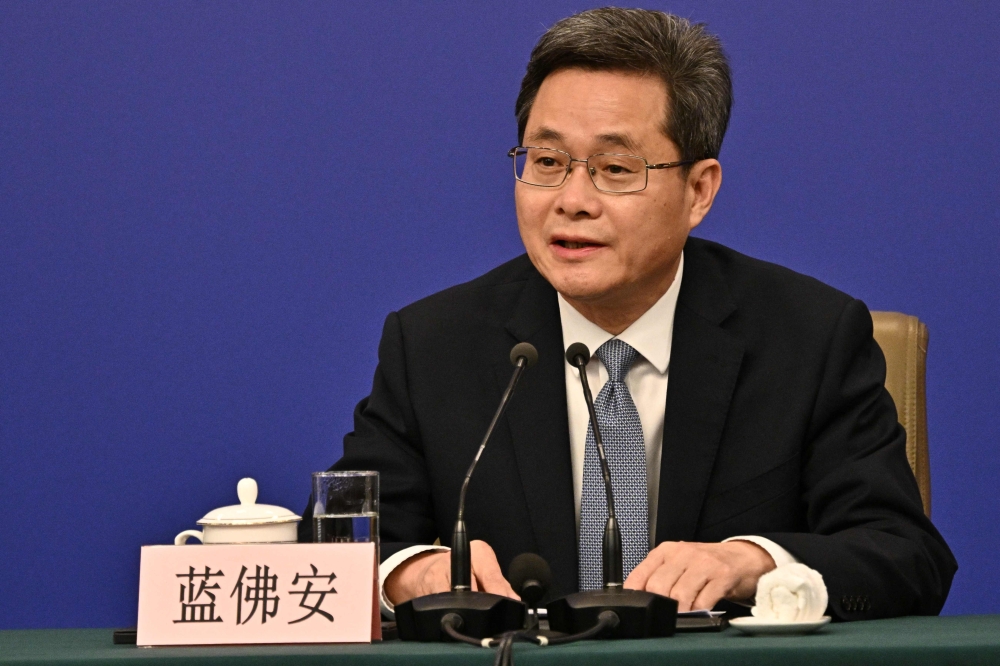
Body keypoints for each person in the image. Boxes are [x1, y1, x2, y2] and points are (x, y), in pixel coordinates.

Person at [302, 7, 956, 620]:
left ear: (699, 191)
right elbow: (336, 543)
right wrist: (411, 574)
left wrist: (751, 564)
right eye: (548, 162)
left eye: (615, 169)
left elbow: (906, 556)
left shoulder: (808, 337)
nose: (572, 200)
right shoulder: (435, 345)